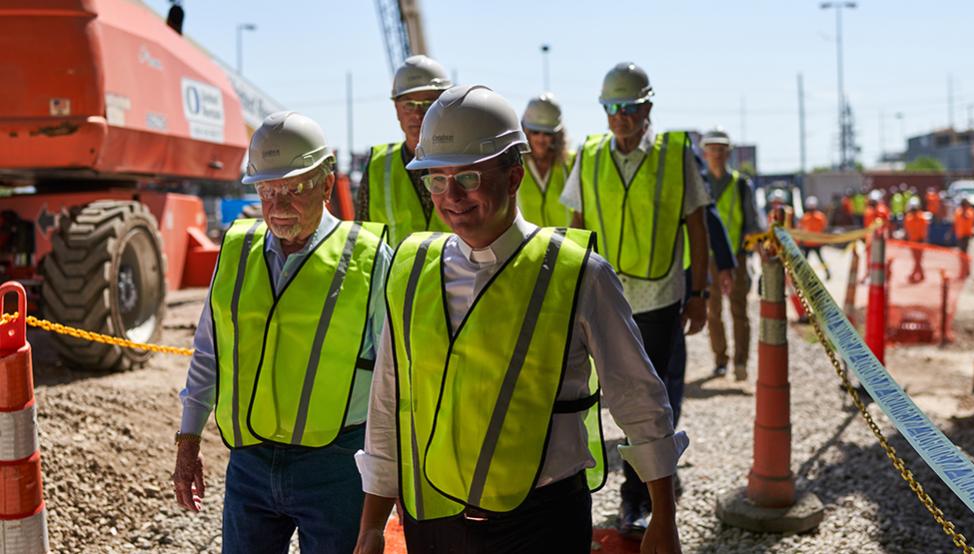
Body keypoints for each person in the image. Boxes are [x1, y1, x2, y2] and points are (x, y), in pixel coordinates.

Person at [353, 84, 686, 554]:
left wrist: (664, 518)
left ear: (513, 176)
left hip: (541, 524)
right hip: (433, 519)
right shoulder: (411, 270)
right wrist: (371, 524)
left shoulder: (580, 275)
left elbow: (638, 398)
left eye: (468, 177)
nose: (452, 196)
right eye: (436, 179)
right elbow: (388, 403)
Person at [172, 112, 391, 553]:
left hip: (337, 464)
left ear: (327, 184)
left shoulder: (369, 258)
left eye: (294, 188)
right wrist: (189, 439)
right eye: (268, 190)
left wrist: (388, 483)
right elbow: (208, 354)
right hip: (249, 464)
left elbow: (394, 380)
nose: (278, 204)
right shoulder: (237, 251)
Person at [559, 62, 710, 537]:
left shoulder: (675, 154)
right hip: (606, 293)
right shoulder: (590, 154)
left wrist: (700, 291)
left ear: (647, 107)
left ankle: (637, 497)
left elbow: (697, 225)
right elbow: (578, 224)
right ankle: (653, 474)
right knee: (610, 395)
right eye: (611, 108)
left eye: (628, 107)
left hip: (660, 293)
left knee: (650, 397)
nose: (620, 117)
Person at [357, 55, 453, 248]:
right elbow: (363, 241)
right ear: (396, 109)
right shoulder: (378, 165)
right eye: (409, 104)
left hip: (458, 277)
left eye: (428, 104)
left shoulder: (468, 160)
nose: (418, 114)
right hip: (397, 278)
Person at [700, 128, 762, 380]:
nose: (716, 154)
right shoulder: (700, 185)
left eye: (720, 149)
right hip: (708, 257)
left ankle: (741, 362)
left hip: (735, 256)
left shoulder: (740, 184)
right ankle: (720, 360)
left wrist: (756, 254)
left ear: (728, 153)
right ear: (705, 153)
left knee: (739, 311)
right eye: (712, 149)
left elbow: (752, 224)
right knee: (712, 312)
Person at [518, 93, 572, 226]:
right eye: (535, 131)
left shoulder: (572, 164)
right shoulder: (513, 165)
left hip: (564, 245)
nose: (541, 139)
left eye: (547, 133)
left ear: (557, 135)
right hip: (526, 246)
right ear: (525, 131)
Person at [798, 195, 832, 280]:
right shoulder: (816, 217)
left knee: (816, 260)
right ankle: (827, 273)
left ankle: (827, 273)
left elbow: (801, 229)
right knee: (810, 260)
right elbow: (824, 229)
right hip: (811, 243)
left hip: (813, 242)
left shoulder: (809, 217)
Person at [903, 198, 929, 283]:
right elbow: (907, 230)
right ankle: (920, 274)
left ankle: (914, 274)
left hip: (919, 242)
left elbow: (924, 231)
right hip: (912, 242)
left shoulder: (922, 218)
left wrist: (922, 239)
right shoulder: (908, 218)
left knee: (918, 259)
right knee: (916, 259)